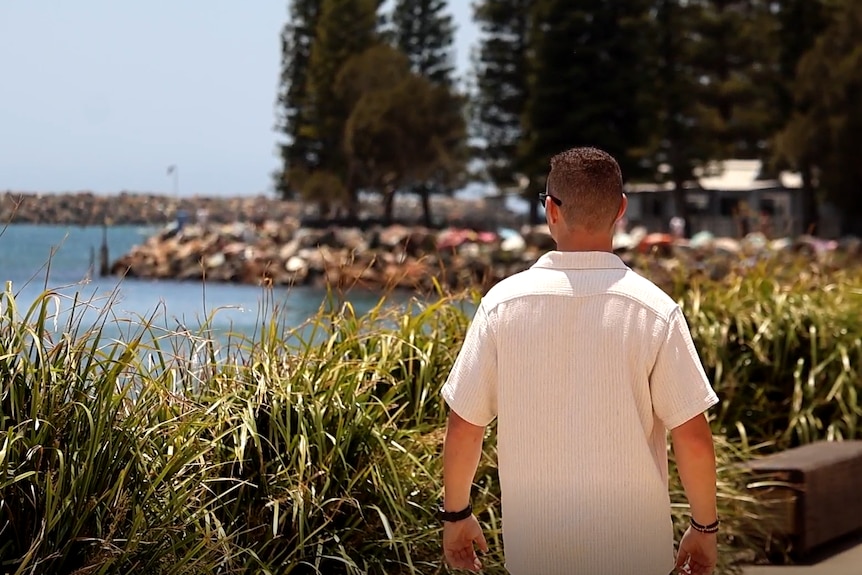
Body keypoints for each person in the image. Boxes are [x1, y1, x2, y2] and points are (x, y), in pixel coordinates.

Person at [439, 147, 720, 575]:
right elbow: (693, 437)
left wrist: (456, 516)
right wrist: (705, 527)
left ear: (551, 211)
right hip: (637, 557)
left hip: (536, 556)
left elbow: (465, 426)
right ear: (621, 210)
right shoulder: (656, 310)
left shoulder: (501, 306)